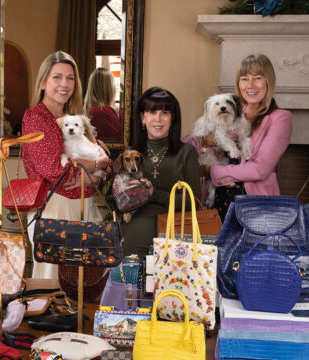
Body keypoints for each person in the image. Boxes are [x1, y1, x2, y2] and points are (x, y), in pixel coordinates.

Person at [22, 51, 110, 279]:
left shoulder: (75, 119)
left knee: (88, 281)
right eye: (57, 77)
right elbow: (55, 169)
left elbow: (104, 164)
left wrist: (97, 167)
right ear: (43, 82)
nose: (65, 84)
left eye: (70, 78)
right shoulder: (36, 118)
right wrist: (96, 163)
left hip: (86, 204)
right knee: (53, 280)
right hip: (54, 206)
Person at [201, 54, 292, 220]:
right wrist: (205, 144)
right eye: (244, 79)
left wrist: (213, 171)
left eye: (257, 78)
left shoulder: (280, 118)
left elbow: (259, 170)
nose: (250, 85)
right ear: (238, 83)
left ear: (268, 82)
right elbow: (205, 144)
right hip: (217, 203)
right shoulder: (230, 111)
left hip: (255, 207)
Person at [124, 87, 200, 257]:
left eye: (164, 112)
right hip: (134, 233)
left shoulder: (186, 152)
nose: (158, 118)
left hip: (176, 235)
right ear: (143, 118)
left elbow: (194, 202)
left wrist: (153, 193)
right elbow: (115, 199)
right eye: (152, 112)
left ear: (172, 118)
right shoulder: (129, 154)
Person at [83, 67, 123, 142]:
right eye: (113, 84)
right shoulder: (102, 112)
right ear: (109, 88)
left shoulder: (89, 111)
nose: (115, 87)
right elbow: (120, 138)